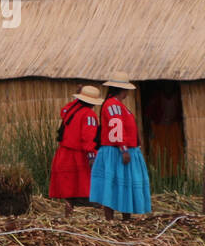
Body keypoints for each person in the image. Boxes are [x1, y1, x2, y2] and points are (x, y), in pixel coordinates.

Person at [89, 72, 151, 221]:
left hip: (121, 149)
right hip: (116, 151)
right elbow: (115, 127)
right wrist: (124, 150)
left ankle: (125, 218)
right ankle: (111, 219)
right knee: (113, 184)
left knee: (123, 185)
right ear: (122, 90)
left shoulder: (117, 105)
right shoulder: (113, 106)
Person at [48, 85, 102, 215]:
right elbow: (88, 137)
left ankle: (69, 208)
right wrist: (92, 156)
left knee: (69, 184)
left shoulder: (71, 110)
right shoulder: (89, 115)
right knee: (84, 185)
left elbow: (67, 109)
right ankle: (90, 211)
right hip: (79, 155)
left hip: (64, 153)